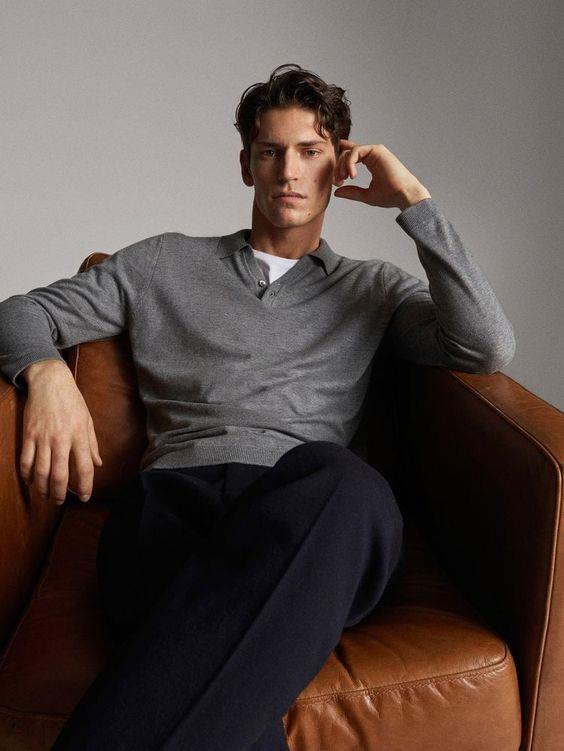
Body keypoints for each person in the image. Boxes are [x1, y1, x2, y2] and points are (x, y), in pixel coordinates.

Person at [0, 63, 515, 750]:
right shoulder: (162, 263)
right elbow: (19, 311)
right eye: (270, 152)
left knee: (352, 485)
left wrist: (413, 202)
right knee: (224, 667)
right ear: (246, 166)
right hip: (173, 505)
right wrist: (45, 372)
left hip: (311, 514)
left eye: (309, 151)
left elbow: (485, 343)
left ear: (339, 165)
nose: (289, 171)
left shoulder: (373, 289)